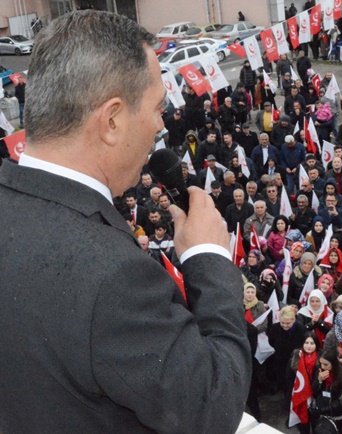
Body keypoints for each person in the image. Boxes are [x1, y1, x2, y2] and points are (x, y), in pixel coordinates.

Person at [0, 11, 250, 432]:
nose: (160, 125)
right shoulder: (113, 277)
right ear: (112, 120)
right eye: (156, 108)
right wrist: (209, 257)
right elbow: (212, 405)